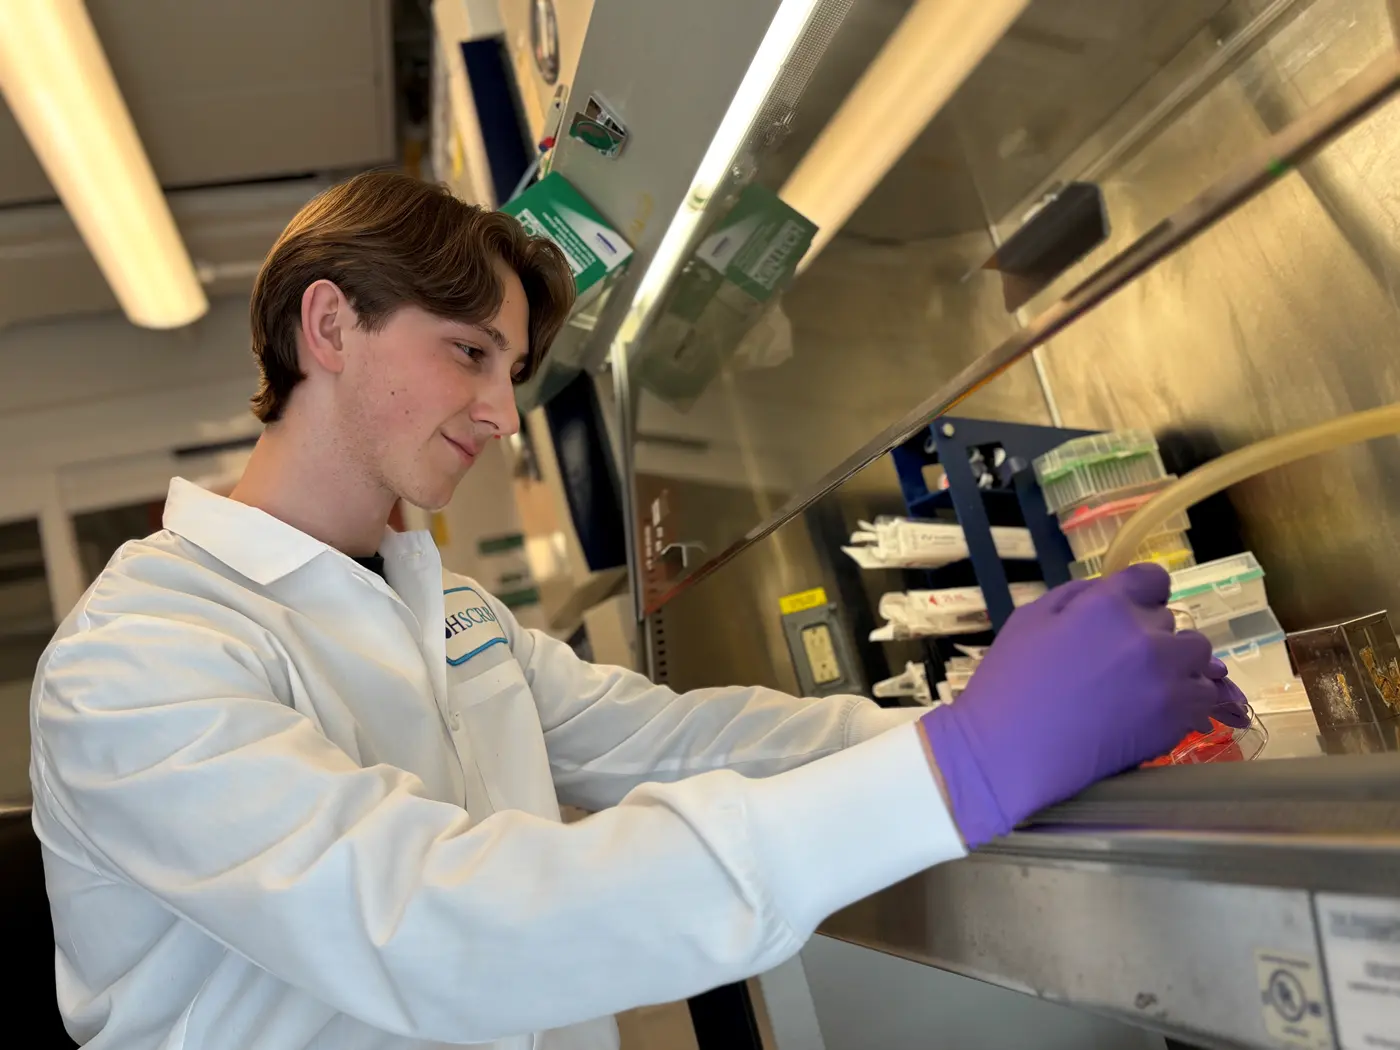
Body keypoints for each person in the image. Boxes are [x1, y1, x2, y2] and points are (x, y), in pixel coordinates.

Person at [29, 171, 1247, 1050]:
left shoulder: (445, 610)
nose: (503, 413)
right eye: (468, 352)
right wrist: (957, 770)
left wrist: (1006, 727)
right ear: (331, 323)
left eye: (511, 371)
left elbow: (680, 742)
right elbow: (432, 924)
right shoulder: (141, 662)